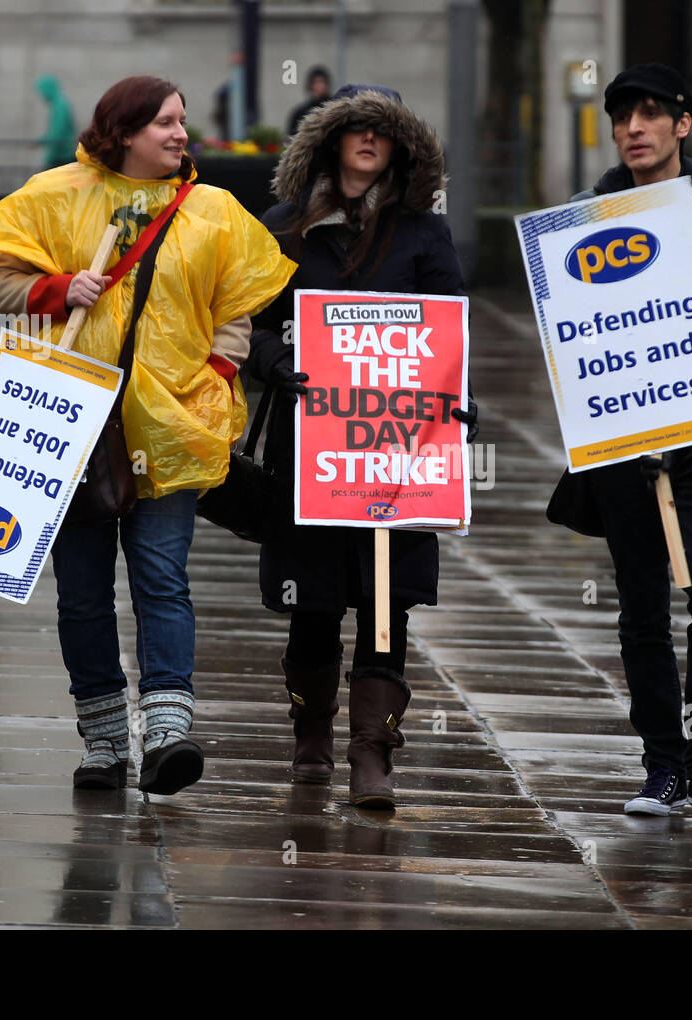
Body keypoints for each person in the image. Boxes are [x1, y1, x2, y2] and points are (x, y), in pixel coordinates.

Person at [0, 76, 296, 796]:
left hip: (173, 426)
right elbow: (0, 281)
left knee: (160, 578)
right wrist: (58, 290)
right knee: (84, 591)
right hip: (73, 425)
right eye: (164, 124)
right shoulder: (55, 195)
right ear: (122, 132)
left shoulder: (214, 211)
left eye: (182, 121)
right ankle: (103, 742)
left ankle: (166, 733)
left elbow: (237, 305)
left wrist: (216, 371)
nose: (181, 134)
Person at [246, 84, 473, 809]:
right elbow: (240, 318)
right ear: (330, 141)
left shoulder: (422, 232)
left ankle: (372, 755)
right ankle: (311, 729)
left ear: (401, 146)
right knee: (312, 601)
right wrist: (275, 360)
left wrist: (459, 401)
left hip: (396, 449)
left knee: (386, 603)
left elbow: (448, 331)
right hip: (308, 448)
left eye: (383, 130)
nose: (370, 140)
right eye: (356, 129)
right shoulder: (284, 227)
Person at [549, 63, 692, 820]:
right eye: (622, 117)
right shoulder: (586, 214)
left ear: (683, 124)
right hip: (621, 438)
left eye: (650, 114)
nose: (634, 128)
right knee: (640, 608)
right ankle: (663, 764)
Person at [286, 65, 332, 138]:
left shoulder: (333, 109)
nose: (318, 86)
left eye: (321, 82)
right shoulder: (300, 113)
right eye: (315, 82)